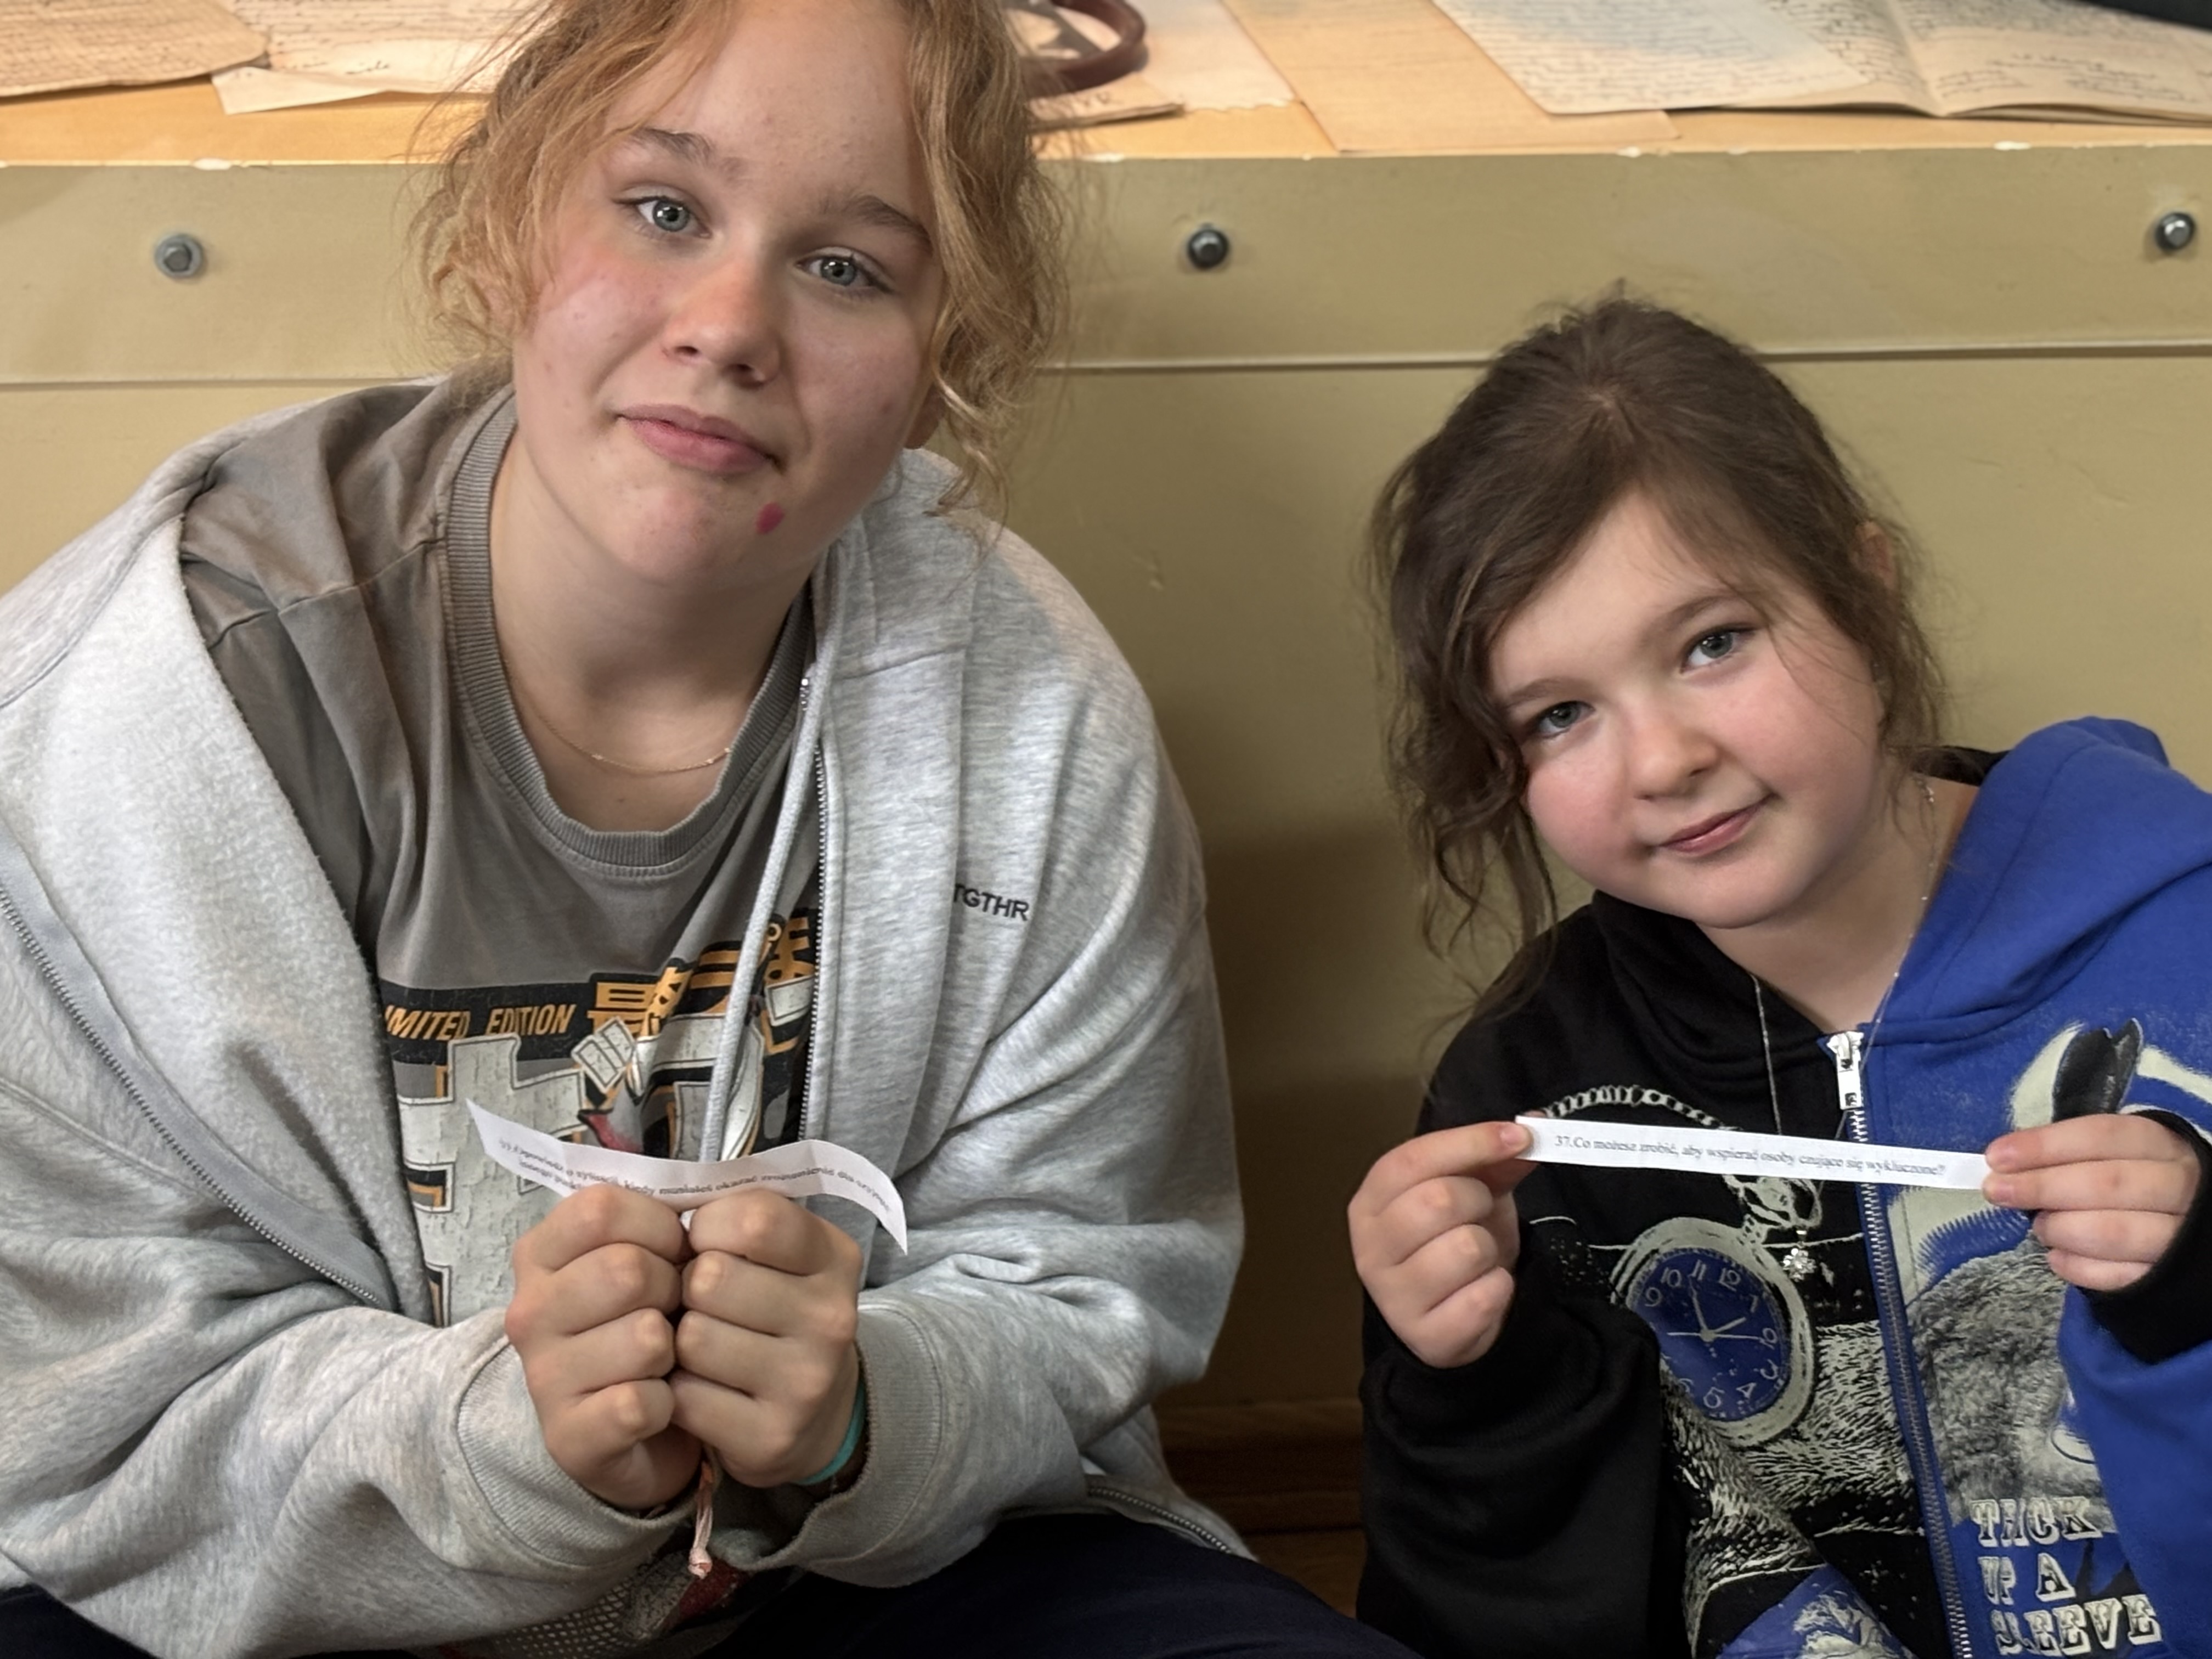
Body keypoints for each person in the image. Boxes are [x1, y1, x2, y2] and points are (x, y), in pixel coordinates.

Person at [0, 3, 1413, 1655]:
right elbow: (91, 1403)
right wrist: (506, 1444)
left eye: (849, 269)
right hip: (306, 1596)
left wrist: (865, 1408)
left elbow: (1085, 1272)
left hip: (857, 1571)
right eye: (664, 208)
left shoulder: (1029, 710)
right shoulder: (132, 720)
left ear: (943, 363)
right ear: (511, 223)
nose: (732, 325)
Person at [1347, 298, 2212, 1659]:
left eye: (1714, 642)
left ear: (1863, 590)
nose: (1663, 760)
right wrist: (1469, 1382)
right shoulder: (1527, 1088)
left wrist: (2194, 1287)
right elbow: (1488, 1598)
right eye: (1560, 714)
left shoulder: (2187, 938)